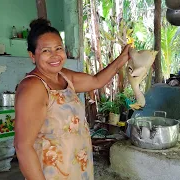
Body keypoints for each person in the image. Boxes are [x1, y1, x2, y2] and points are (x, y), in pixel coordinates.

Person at [14, 18, 131, 180]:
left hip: (76, 169)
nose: (55, 56)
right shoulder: (33, 87)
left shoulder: (63, 76)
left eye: (58, 48)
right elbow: (23, 147)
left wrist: (122, 59)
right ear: (32, 55)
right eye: (46, 51)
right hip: (51, 173)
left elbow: (95, 81)